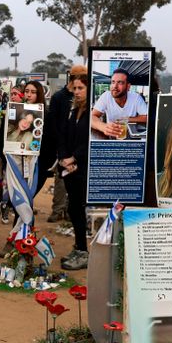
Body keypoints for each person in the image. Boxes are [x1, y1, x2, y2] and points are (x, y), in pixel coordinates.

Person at [57, 73, 91, 270]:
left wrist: (74, 158)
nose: (76, 92)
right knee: (73, 209)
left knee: (77, 209)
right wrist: (63, 157)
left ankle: (83, 252)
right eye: (74, 88)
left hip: (83, 169)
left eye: (80, 88)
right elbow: (62, 135)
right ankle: (79, 247)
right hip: (69, 169)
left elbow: (89, 140)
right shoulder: (72, 110)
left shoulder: (94, 113)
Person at [42, 65, 85, 222]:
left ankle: (69, 210)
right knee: (61, 179)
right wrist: (61, 148)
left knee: (76, 183)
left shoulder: (84, 98)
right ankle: (58, 209)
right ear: (72, 78)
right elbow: (53, 124)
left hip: (79, 148)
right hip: (62, 146)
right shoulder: (59, 97)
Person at [90, 68, 147, 139]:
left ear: (128, 87)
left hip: (132, 139)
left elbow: (146, 118)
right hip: (112, 137)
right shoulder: (106, 96)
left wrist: (126, 119)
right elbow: (92, 117)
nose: (115, 86)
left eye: (120, 82)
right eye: (113, 82)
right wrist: (103, 127)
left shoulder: (136, 97)